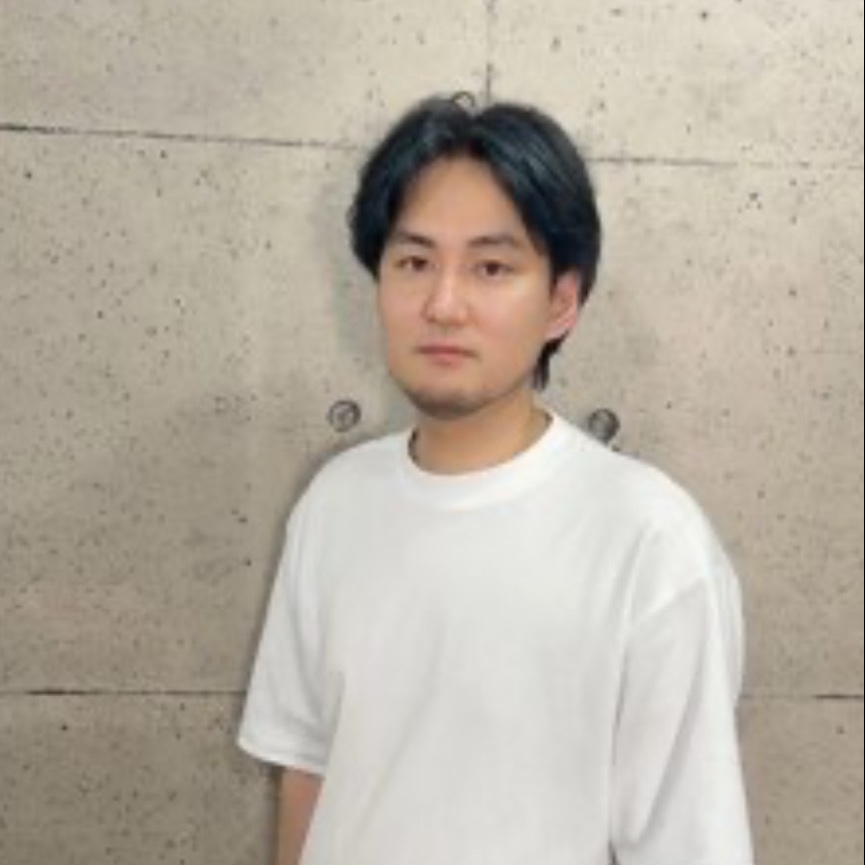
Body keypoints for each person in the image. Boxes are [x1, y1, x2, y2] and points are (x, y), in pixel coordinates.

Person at [237, 93, 754, 865]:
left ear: (561, 301)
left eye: (491, 267)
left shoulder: (649, 539)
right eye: (414, 262)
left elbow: (687, 841)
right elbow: (307, 768)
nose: (443, 304)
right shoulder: (334, 503)